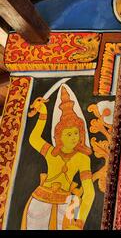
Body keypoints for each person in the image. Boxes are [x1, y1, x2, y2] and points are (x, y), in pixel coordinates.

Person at [22, 85, 95, 230]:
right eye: (69, 134)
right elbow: (34, 139)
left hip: (65, 205)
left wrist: (79, 222)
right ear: (59, 136)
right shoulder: (52, 153)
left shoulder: (82, 158)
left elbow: (89, 193)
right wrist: (43, 115)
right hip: (39, 202)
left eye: (76, 133)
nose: (74, 138)